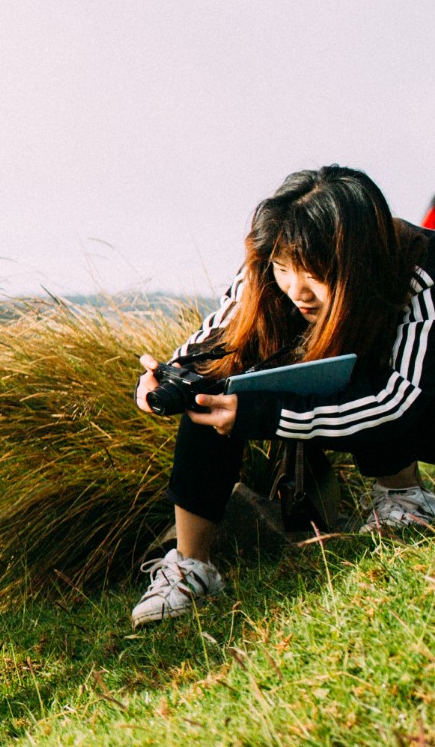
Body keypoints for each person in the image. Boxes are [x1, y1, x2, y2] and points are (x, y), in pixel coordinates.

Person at [130, 166, 435, 627]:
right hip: (361, 392)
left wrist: (267, 414)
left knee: (374, 367)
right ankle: (191, 567)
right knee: (210, 390)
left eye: (316, 273)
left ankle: (404, 496)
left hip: (424, 406)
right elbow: (217, 338)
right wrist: (171, 378)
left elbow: (401, 401)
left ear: (358, 261)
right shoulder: (268, 268)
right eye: (285, 269)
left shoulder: (422, 273)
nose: (297, 290)